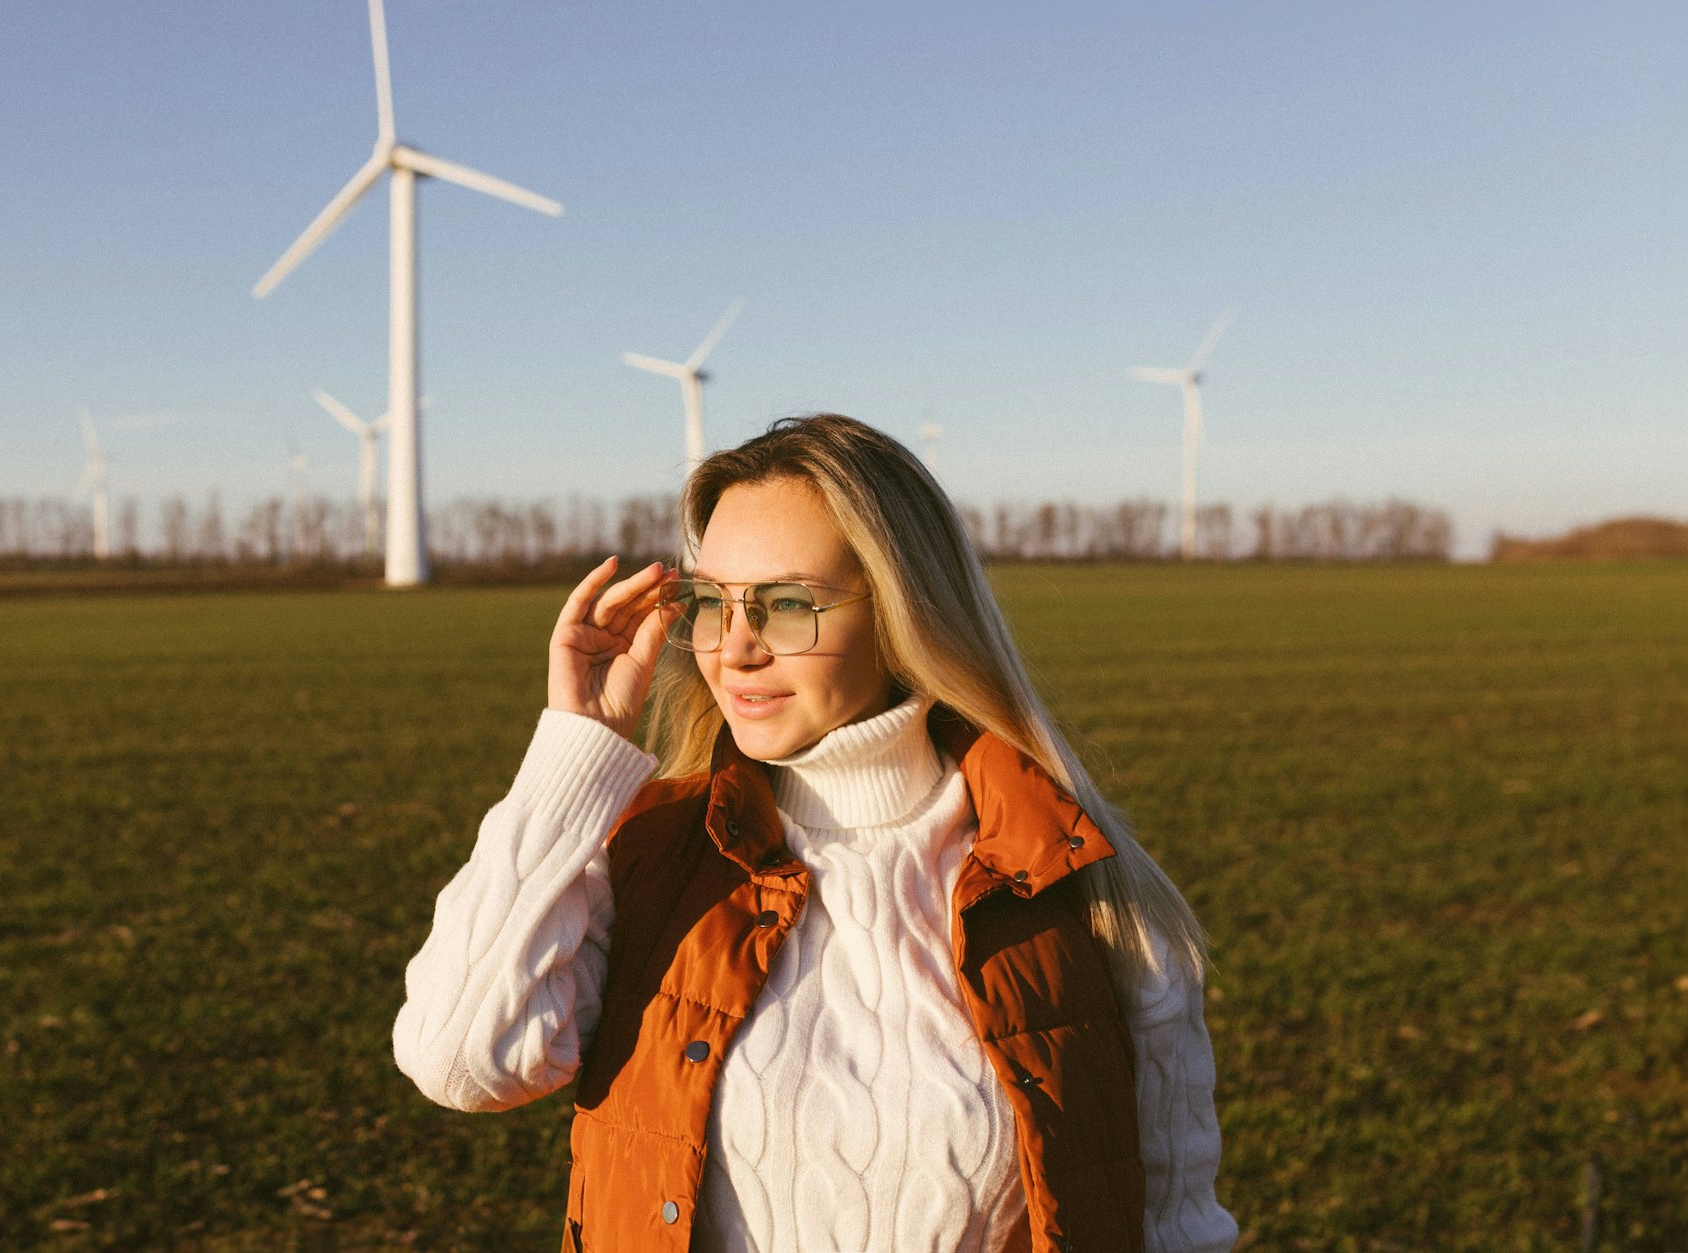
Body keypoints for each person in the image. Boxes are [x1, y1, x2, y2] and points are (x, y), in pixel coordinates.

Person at [393, 414, 1237, 1253]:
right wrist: (574, 753)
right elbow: (462, 1061)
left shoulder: (1083, 895)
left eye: (789, 603)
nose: (735, 649)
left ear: (906, 611)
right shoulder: (652, 862)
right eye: (711, 603)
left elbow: (1174, 1230)